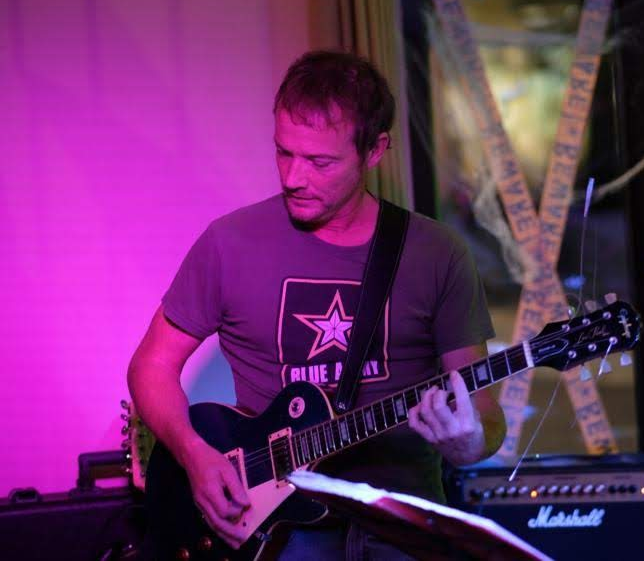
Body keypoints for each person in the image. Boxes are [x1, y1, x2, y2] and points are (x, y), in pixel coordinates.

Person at [127, 50, 505, 559]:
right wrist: (195, 455)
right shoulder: (229, 243)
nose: (293, 177)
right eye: (284, 153)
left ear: (375, 150)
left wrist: (468, 444)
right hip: (272, 527)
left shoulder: (437, 254)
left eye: (320, 162)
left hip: (401, 527)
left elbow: (485, 412)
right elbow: (150, 366)